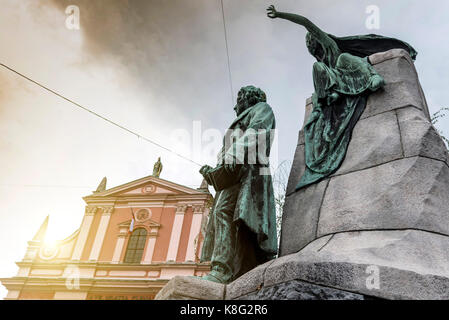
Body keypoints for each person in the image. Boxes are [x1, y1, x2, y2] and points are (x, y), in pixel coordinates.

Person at [267, 5, 417, 190]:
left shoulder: (330, 46)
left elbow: (306, 23)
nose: (310, 46)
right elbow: (319, 79)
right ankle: (330, 96)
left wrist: (279, 14)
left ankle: (372, 77)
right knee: (317, 70)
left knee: (343, 58)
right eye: (308, 45)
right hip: (336, 89)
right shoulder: (321, 65)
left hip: (351, 74)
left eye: (311, 42)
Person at [199, 85, 277, 284]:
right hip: (234, 174)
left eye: (238, 100)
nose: (235, 107)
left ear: (248, 98)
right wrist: (215, 171)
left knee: (224, 212)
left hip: (248, 170)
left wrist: (233, 153)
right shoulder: (243, 116)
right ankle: (233, 268)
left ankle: (221, 269)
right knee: (228, 216)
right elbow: (228, 149)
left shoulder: (261, 108)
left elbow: (257, 130)